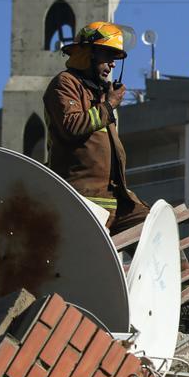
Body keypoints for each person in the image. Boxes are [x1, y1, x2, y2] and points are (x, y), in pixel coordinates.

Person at [43, 21, 148, 234]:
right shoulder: (65, 83)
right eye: (108, 56)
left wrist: (105, 103)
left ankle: (183, 269)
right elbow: (72, 126)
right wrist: (108, 106)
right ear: (87, 54)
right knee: (91, 260)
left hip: (116, 199)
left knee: (157, 232)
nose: (112, 65)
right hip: (82, 199)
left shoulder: (99, 94)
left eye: (115, 59)